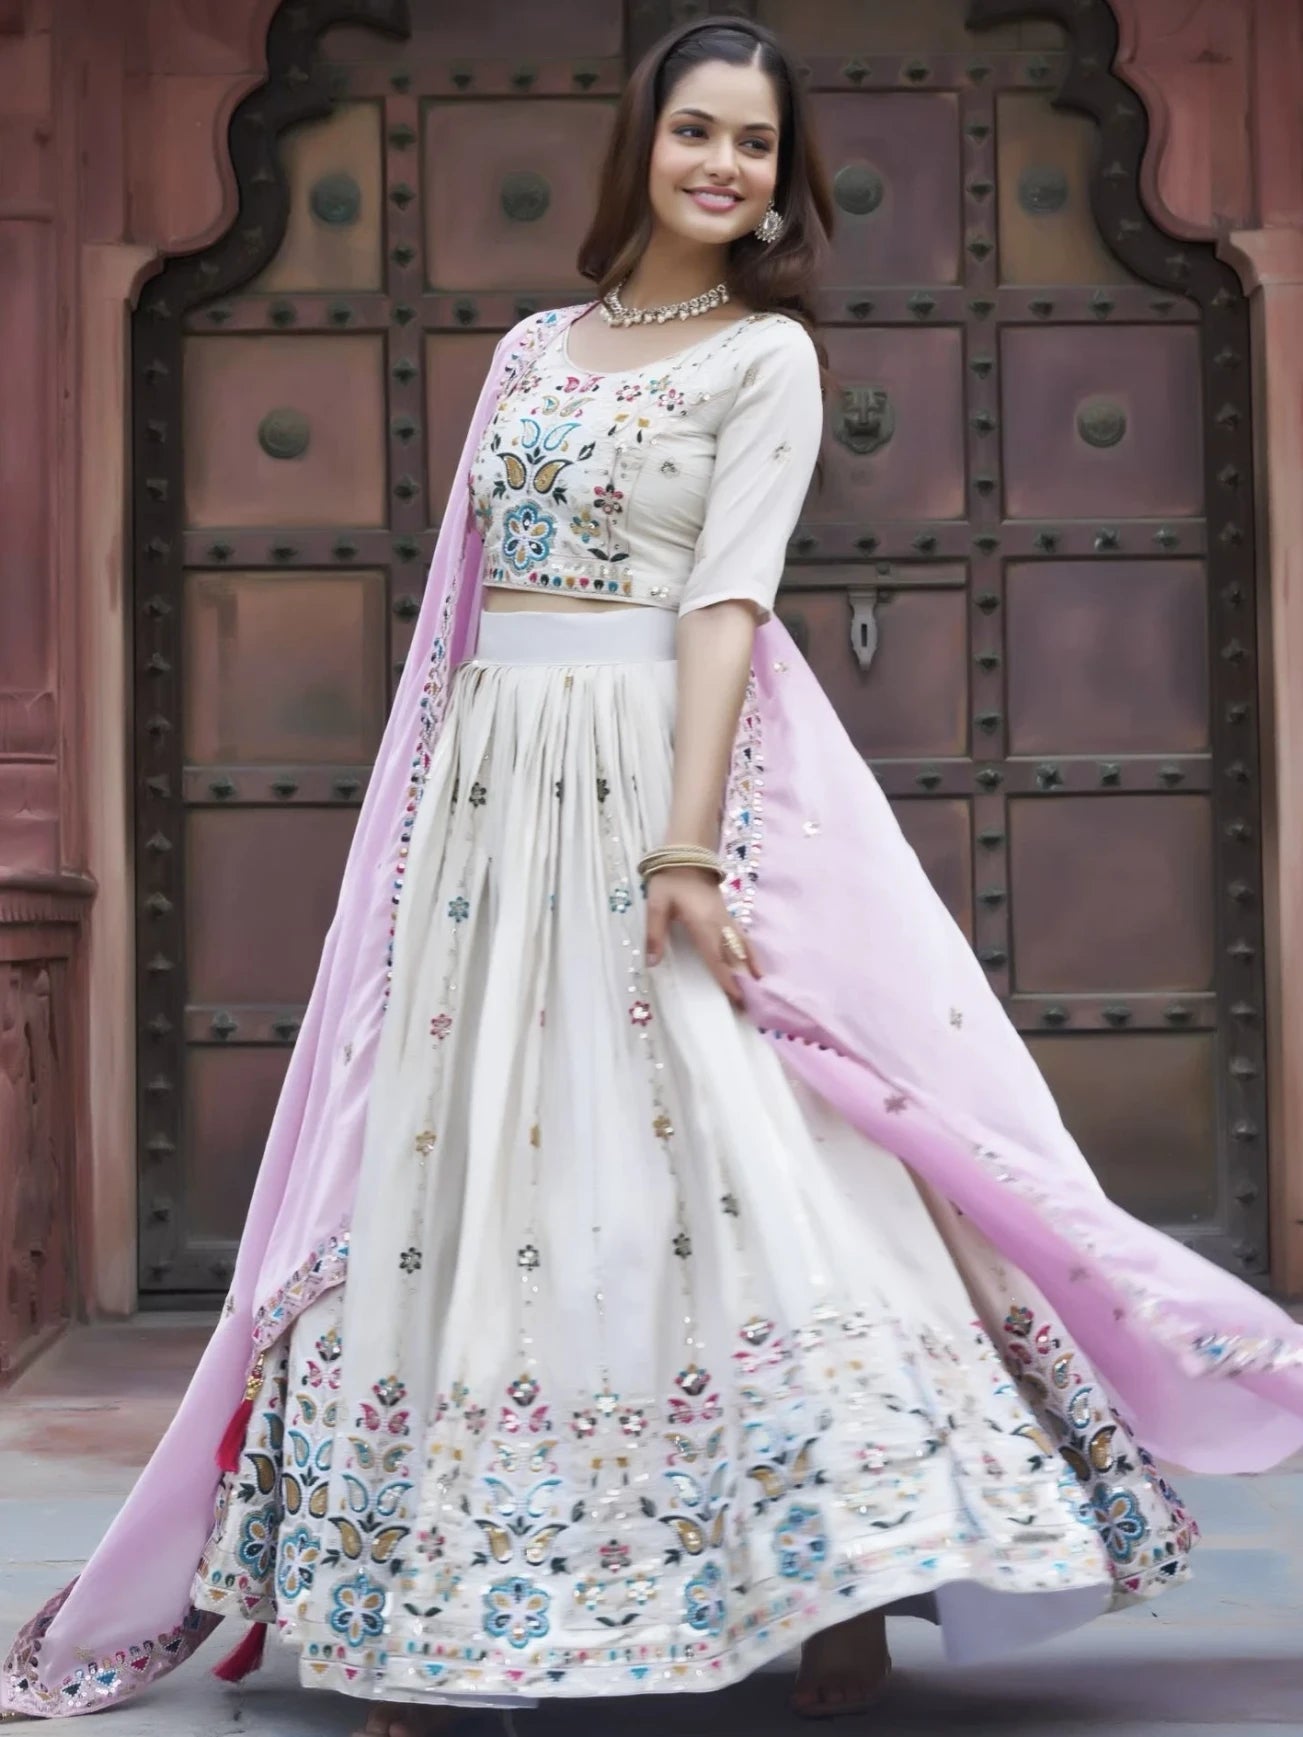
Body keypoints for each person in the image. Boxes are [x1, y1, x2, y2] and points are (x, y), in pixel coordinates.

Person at [6, 15, 1303, 1736]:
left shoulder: (764, 358)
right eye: (698, 132)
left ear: (781, 178)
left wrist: (687, 847)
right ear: (645, 147)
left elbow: (724, 609)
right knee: (473, 1172)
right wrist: (426, 842)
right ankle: (435, 1606)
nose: (724, 166)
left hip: (651, 767)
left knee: (745, 1149)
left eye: (755, 146)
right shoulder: (534, 347)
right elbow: (461, 603)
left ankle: (845, 1573)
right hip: (491, 791)